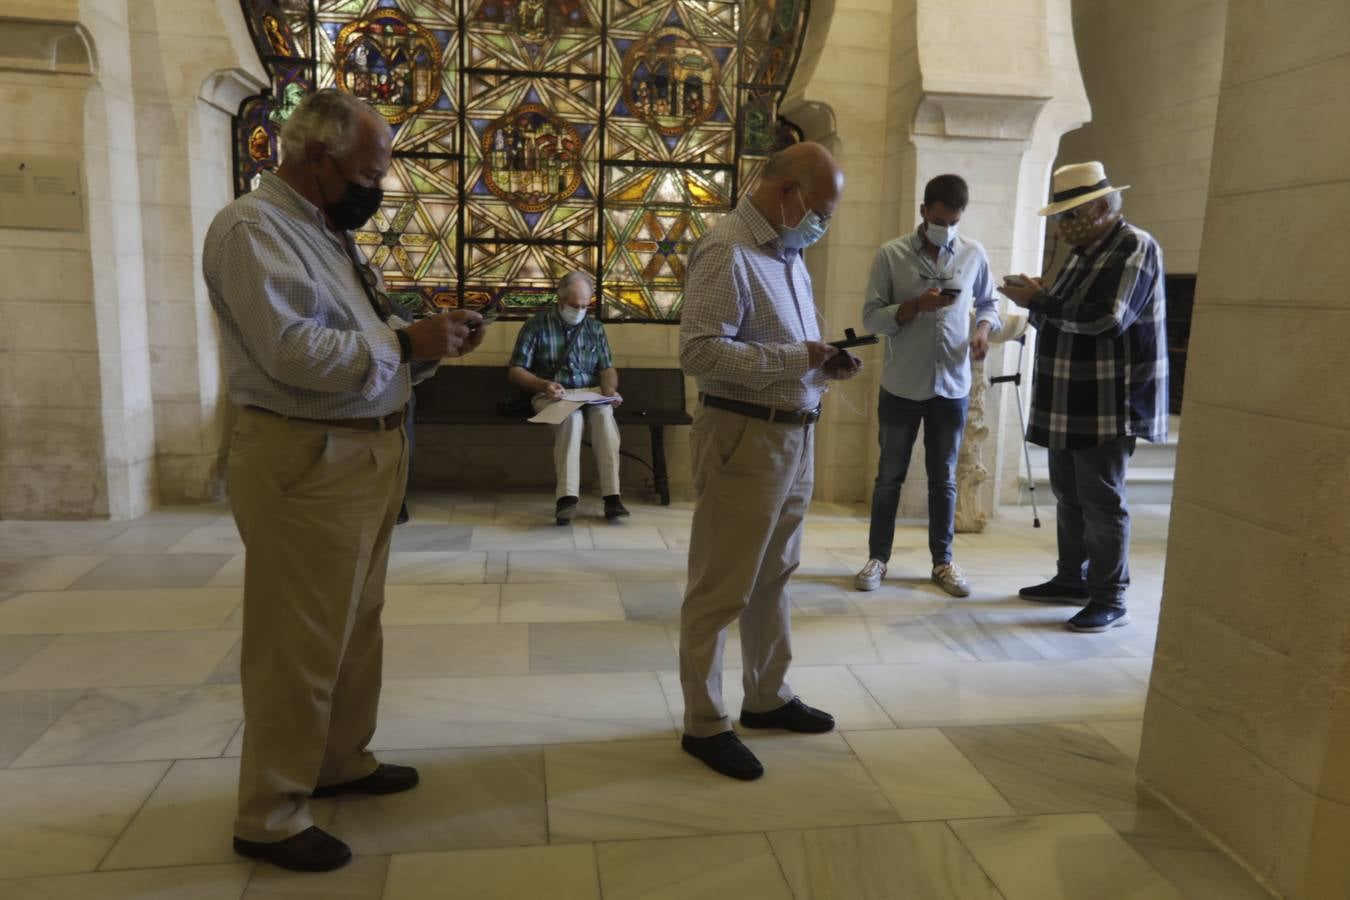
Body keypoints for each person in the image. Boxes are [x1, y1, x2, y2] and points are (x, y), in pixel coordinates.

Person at [203, 89, 487, 872]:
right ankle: (269, 813)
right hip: (307, 458)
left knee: (354, 627)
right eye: (368, 172)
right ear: (315, 158)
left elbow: (363, 337)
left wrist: (428, 342)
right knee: (297, 641)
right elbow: (292, 353)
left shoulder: (322, 231)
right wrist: (403, 341)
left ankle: (338, 762)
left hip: (362, 451)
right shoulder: (252, 228)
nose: (378, 187)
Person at [677, 142, 861, 780]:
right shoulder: (727, 250)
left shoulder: (789, 256)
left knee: (776, 573)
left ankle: (766, 695)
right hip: (744, 436)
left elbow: (792, 342)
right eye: (820, 209)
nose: (822, 223)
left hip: (793, 432)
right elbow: (701, 353)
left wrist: (826, 359)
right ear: (786, 192)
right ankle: (704, 722)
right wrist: (797, 359)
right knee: (721, 584)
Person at [999, 161, 1168, 633]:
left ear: (1099, 208)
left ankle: (1110, 597)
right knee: (1068, 494)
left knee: (1101, 500)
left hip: (1108, 400)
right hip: (1065, 396)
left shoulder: (1134, 246)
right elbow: (1059, 315)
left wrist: (1039, 300)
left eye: (1069, 213)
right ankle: (1072, 578)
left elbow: (1107, 319)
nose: (1061, 223)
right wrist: (1034, 298)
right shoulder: (1081, 250)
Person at [855, 174, 1001, 596]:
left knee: (945, 479)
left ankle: (944, 562)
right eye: (940, 219)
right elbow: (871, 316)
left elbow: (988, 301)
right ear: (923, 211)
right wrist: (915, 306)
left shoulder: (973, 254)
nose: (947, 228)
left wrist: (983, 330)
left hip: (951, 387)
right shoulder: (892, 254)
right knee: (889, 477)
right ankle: (877, 558)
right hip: (902, 385)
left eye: (954, 221)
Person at [507, 271, 629, 525]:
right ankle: (567, 498)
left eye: (585, 306)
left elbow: (607, 368)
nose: (580, 310)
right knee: (571, 418)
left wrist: (609, 390)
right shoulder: (535, 326)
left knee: (604, 415)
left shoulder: (594, 327)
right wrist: (544, 384)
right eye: (575, 306)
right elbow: (516, 371)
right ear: (559, 300)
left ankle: (612, 496)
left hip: (589, 392)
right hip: (552, 393)